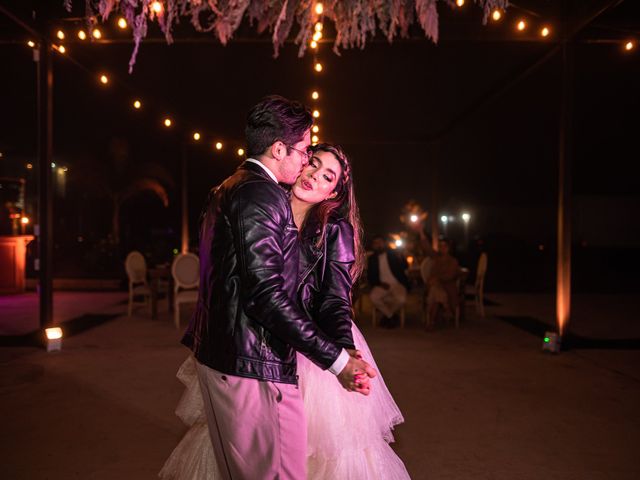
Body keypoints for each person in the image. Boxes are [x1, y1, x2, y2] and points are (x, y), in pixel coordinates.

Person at [161, 143, 409, 479]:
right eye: (314, 164)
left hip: (310, 348)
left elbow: (334, 301)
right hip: (252, 344)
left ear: (333, 192)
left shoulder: (334, 230)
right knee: (243, 448)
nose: (314, 176)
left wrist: (343, 349)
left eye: (327, 176)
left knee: (310, 455)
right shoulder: (258, 204)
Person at [367, 235, 411, 328]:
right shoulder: (372, 259)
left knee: (401, 299)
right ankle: (391, 316)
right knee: (373, 297)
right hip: (382, 285)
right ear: (373, 245)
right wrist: (379, 284)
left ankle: (386, 317)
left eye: (380, 242)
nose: (378, 245)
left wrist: (402, 257)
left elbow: (405, 267)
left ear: (384, 243)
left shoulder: (394, 254)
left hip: (397, 283)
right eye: (376, 243)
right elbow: (370, 276)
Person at [425, 238, 461, 327]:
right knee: (436, 291)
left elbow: (451, 275)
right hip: (435, 286)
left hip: (447, 287)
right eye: (440, 246)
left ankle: (431, 322)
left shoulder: (453, 261)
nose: (442, 248)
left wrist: (437, 279)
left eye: (444, 246)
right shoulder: (436, 259)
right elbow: (427, 249)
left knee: (435, 293)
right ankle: (446, 308)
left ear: (448, 248)